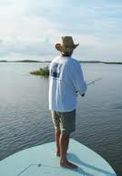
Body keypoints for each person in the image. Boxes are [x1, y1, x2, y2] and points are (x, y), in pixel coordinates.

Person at [48, 36, 87, 169]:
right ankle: (63, 161)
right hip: (66, 105)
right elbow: (81, 88)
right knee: (66, 133)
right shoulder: (73, 63)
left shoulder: (54, 61)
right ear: (71, 49)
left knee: (57, 128)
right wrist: (82, 91)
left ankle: (59, 152)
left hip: (53, 103)